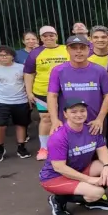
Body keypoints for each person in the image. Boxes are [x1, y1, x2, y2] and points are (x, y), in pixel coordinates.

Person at [41, 100, 108, 215]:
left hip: (79, 170)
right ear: (65, 114)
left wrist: (107, 167)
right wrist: (89, 180)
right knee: (97, 192)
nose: (79, 114)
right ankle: (58, 199)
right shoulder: (59, 136)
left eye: (82, 111)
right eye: (73, 112)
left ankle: (91, 201)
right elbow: (59, 168)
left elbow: (103, 150)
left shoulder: (91, 129)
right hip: (55, 177)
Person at [47, 35, 108, 142]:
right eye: (74, 48)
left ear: (89, 49)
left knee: (97, 155)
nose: (78, 52)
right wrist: (54, 120)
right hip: (68, 123)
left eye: (82, 48)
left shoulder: (99, 70)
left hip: (94, 124)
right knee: (68, 155)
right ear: (67, 50)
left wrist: (100, 119)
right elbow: (52, 95)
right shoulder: (58, 71)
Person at [23, 25, 69, 160]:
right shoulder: (35, 52)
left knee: (66, 118)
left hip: (64, 91)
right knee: (46, 119)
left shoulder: (66, 49)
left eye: (51, 35)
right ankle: (44, 148)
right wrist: (29, 92)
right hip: (42, 91)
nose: (48, 38)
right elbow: (29, 73)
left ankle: (64, 145)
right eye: (45, 36)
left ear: (56, 36)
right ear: (41, 38)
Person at [0, 46, 31, 161]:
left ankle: (21, 147)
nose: (4, 57)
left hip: (21, 101)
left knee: (21, 125)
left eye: (6, 55)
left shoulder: (21, 68)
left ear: (12, 56)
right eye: (1, 55)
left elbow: (27, 83)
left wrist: (29, 97)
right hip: (1, 101)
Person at [87, 26, 108, 158]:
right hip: (92, 103)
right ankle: (93, 163)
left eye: (103, 37)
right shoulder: (86, 57)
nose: (100, 40)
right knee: (92, 133)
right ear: (90, 39)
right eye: (96, 37)